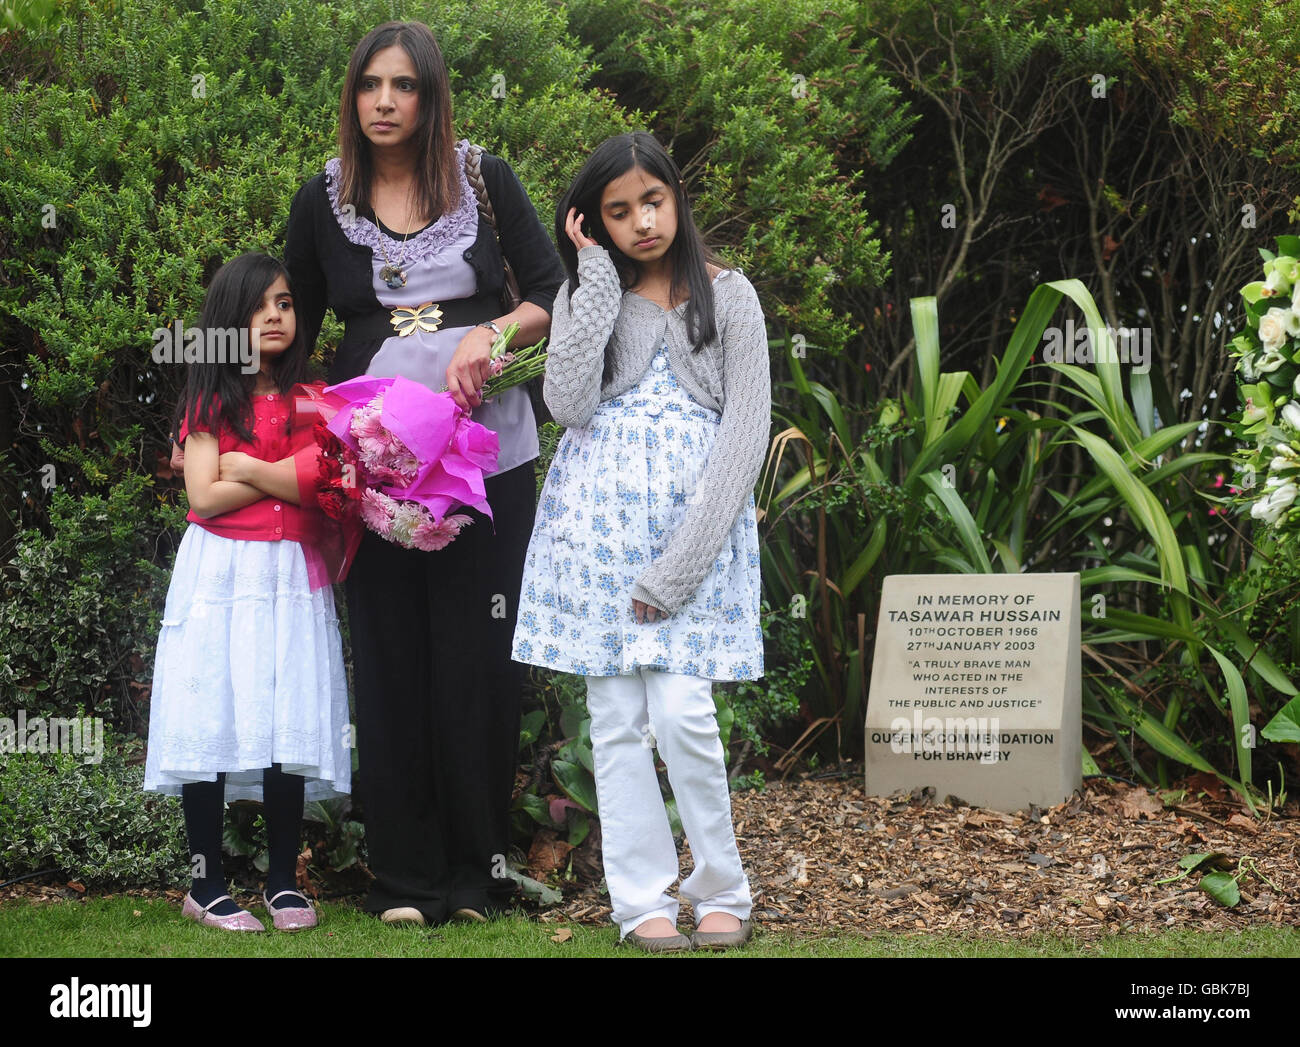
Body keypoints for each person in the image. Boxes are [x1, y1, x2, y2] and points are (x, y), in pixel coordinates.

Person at [283, 21, 564, 926]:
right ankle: (402, 879)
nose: (385, 102)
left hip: (487, 461)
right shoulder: (322, 202)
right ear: (352, 97)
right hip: (372, 472)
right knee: (393, 660)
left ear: (430, 95)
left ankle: (474, 876)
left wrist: (490, 332)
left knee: (476, 659)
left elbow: (553, 291)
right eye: (370, 85)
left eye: (403, 86)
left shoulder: (483, 179)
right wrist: (281, 432)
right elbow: (287, 321)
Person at [511, 132, 770, 951]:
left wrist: (681, 565)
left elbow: (746, 432)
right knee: (616, 720)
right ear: (597, 224)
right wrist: (588, 279)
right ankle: (641, 902)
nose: (642, 222)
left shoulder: (730, 297)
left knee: (686, 712)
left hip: (691, 541)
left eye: (651, 201)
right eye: (618, 213)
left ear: (676, 197)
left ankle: (722, 885)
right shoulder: (598, 295)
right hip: (595, 536)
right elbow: (568, 402)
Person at [145, 252, 352, 932]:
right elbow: (202, 494)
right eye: (261, 305)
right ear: (228, 320)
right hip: (222, 573)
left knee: (282, 709)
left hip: (291, 574)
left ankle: (282, 882)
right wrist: (280, 473)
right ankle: (205, 882)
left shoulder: (313, 396)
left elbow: (324, 481)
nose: (275, 315)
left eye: (286, 303)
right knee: (214, 712)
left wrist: (251, 467)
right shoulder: (211, 399)